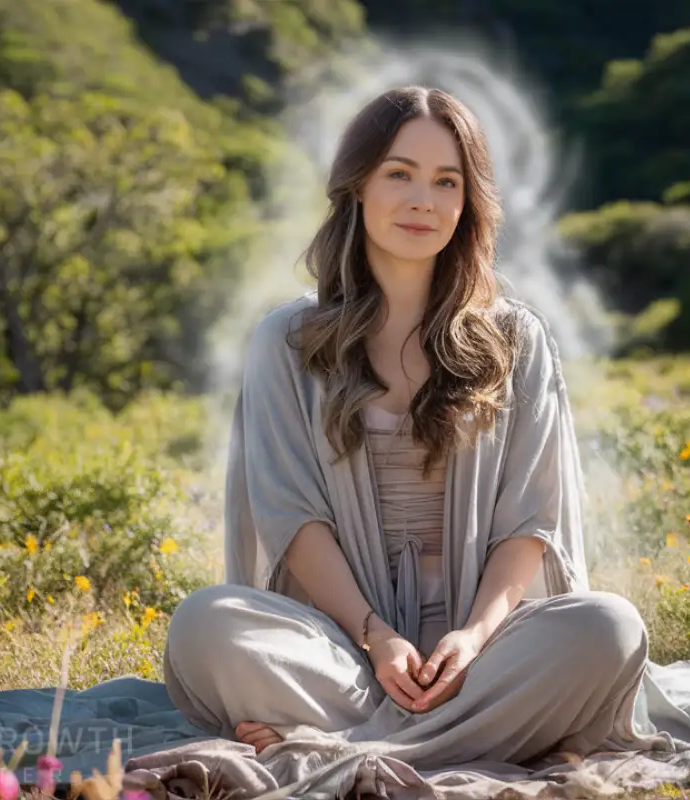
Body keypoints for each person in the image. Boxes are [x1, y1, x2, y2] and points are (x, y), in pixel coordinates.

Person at [162, 84, 654, 768]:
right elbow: (290, 518)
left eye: (446, 181)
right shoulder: (284, 341)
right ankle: (471, 739)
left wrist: (474, 640)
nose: (423, 199)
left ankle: (335, 747)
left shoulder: (516, 340)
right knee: (204, 626)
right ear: (357, 186)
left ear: (467, 202)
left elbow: (528, 525)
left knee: (609, 628)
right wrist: (376, 636)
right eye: (400, 173)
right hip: (341, 641)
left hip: (483, 647)